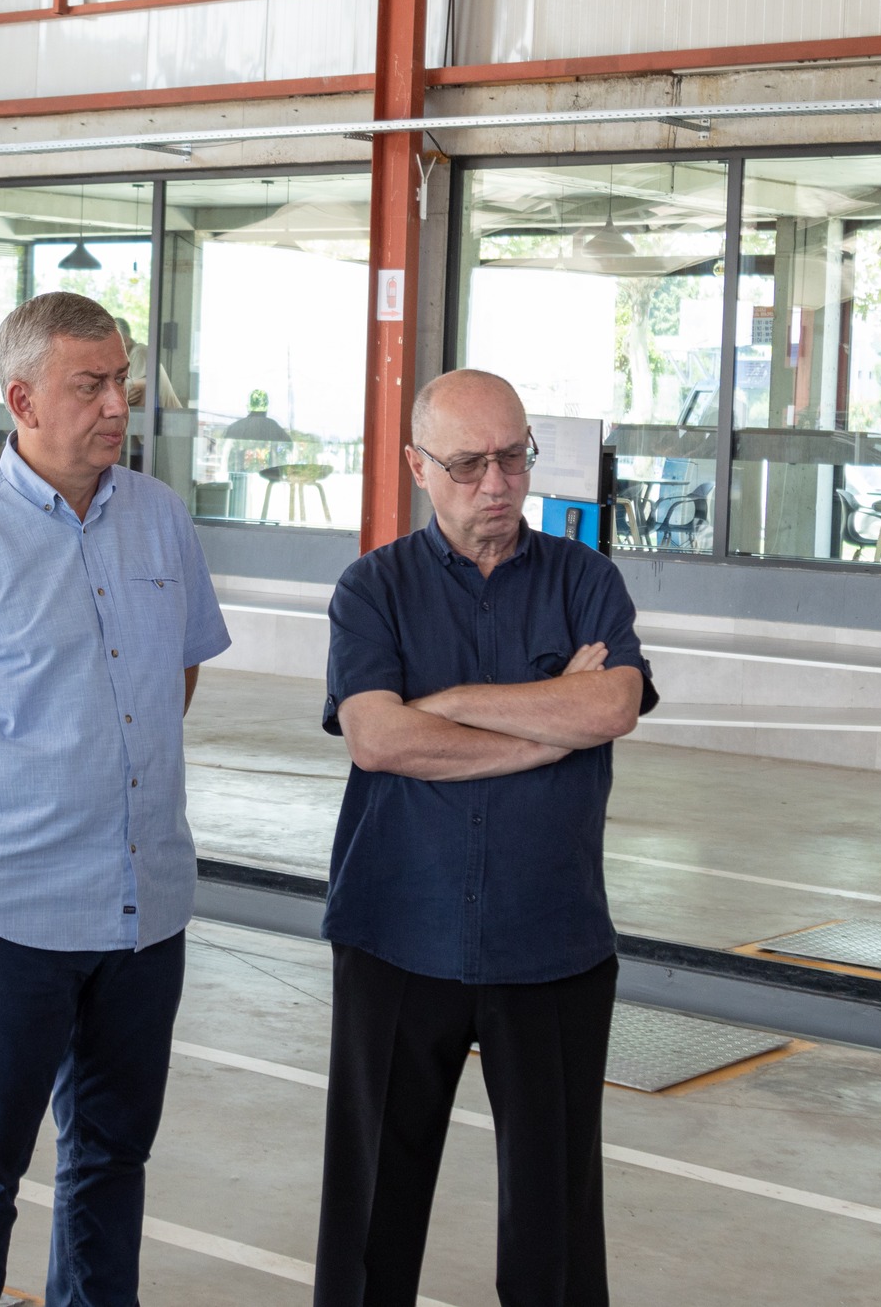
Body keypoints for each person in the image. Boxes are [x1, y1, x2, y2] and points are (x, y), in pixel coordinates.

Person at [0, 291, 230, 1307]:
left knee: (111, 1158)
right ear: (21, 400)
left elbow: (175, 676)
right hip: (4, 916)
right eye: (89, 384)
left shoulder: (160, 520)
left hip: (143, 911)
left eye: (122, 382)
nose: (116, 405)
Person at [312, 369, 656, 1307]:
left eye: (512, 457)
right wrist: (546, 727)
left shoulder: (586, 580)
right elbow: (378, 737)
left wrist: (451, 704)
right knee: (371, 1215)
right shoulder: (372, 588)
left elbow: (613, 704)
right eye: (469, 464)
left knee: (555, 1229)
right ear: (418, 465)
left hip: (549, 942)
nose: (496, 483)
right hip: (397, 932)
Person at [114, 314, 180, 408]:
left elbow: (138, 394)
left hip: (169, 415)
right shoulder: (126, 360)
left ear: (125, 341)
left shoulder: (139, 352)